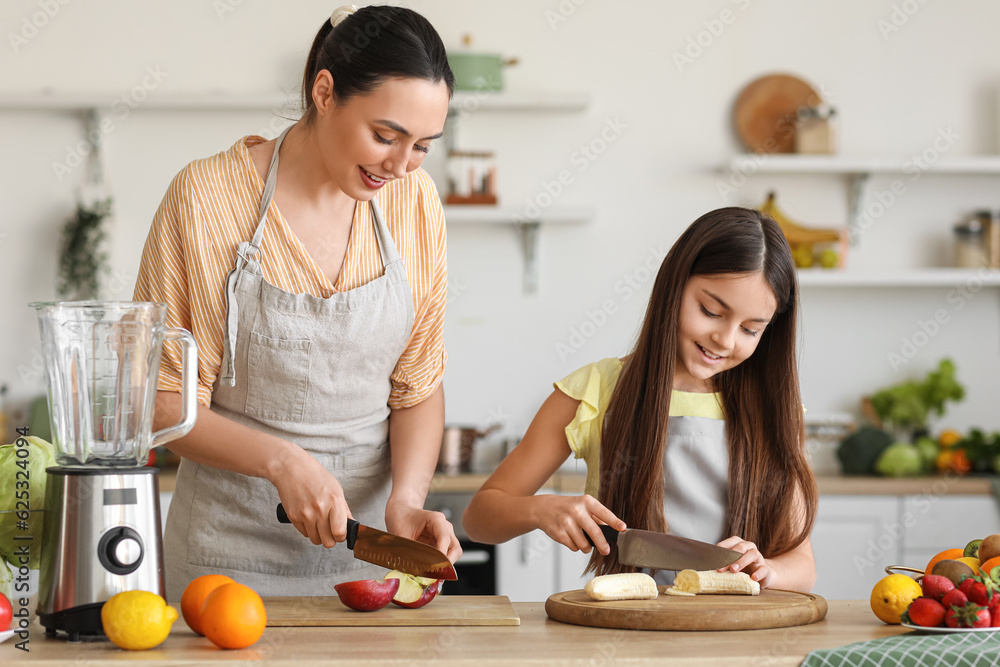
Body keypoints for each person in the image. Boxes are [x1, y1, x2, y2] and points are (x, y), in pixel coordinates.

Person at [133, 4, 461, 599]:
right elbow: (163, 406)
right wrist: (283, 462)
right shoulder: (207, 199)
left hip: (369, 563)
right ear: (325, 90)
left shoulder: (415, 203)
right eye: (385, 135)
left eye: (422, 146)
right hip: (225, 565)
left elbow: (417, 385)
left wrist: (407, 500)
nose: (399, 164)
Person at [463, 207, 819, 591]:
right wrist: (539, 509)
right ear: (674, 284)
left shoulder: (775, 412)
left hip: (738, 636)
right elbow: (479, 518)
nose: (726, 339)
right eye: (711, 311)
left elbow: (803, 565)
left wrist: (769, 570)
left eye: (750, 330)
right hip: (625, 635)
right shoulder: (595, 390)